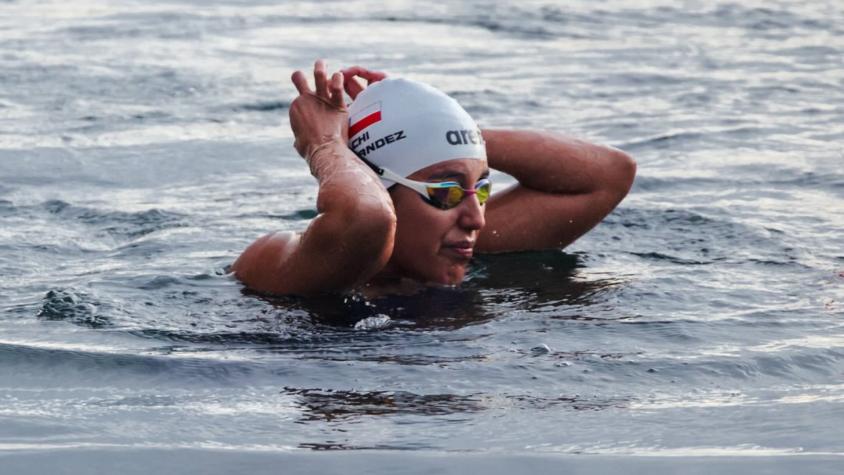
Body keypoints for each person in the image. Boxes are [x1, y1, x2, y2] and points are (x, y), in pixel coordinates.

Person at [231, 60, 636, 296]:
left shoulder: (447, 246)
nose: (477, 218)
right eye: (446, 192)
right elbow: (368, 218)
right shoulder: (282, 259)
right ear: (381, 188)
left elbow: (608, 173)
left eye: (481, 190)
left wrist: (422, 121)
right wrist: (324, 144)